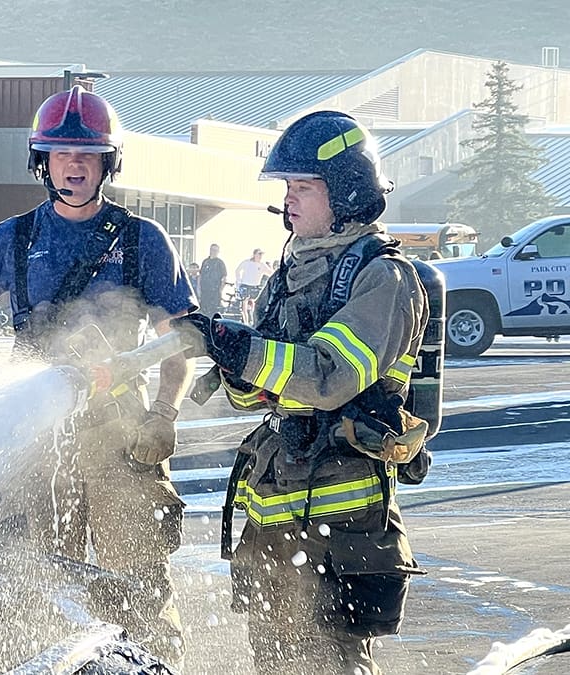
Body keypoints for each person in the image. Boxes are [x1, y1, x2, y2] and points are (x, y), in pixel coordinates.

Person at [0, 85, 197, 665]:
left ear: (107, 163)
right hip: (32, 432)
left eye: (87, 154)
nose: (73, 164)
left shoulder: (142, 241)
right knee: (23, 578)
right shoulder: (16, 238)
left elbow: (183, 338)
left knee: (137, 585)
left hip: (123, 434)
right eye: (61, 153)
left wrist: (164, 413)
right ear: (41, 161)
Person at [180, 110, 428, 674]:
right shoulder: (290, 273)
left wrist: (242, 350)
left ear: (344, 191)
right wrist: (232, 358)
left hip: (339, 514)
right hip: (274, 510)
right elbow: (254, 397)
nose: (289, 199)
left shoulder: (381, 277)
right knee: (272, 656)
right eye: (288, 187)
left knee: (331, 659)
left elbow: (326, 376)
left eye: (303, 187)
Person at [233, 248, 273, 323]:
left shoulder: (262, 265)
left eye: (261, 254)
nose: (260, 256)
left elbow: (270, 273)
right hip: (245, 285)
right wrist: (239, 281)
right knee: (244, 304)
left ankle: (254, 321)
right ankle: (246, 322)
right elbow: (238, 270)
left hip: (255, 287)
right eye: (259, 254)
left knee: (253, 304)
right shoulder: (247, 262)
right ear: (254, 254)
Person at [198, 243, 227, 316]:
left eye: (216, 250)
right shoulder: (205, 261)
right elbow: (201, 275)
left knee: (213, 311)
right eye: (212, 249)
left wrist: (220, 290)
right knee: (204, 310)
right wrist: (198, 288)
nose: (214, 251)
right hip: (204, 291)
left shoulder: (220, 263)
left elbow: (224, 278)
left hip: (215, 291)